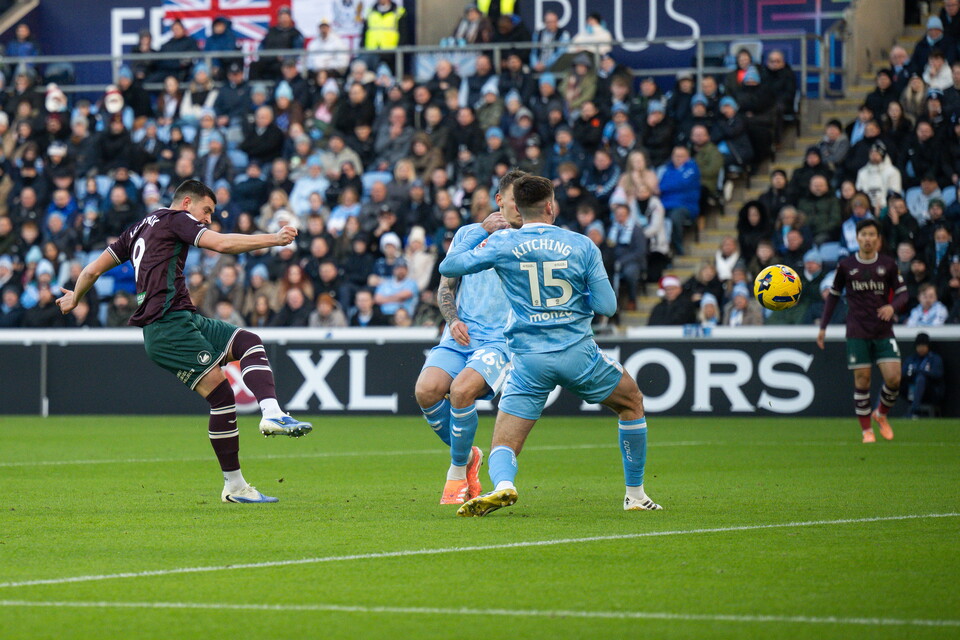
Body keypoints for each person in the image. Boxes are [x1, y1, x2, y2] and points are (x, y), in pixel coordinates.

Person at [54, 180, 313, 504]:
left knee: (247, 341)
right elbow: (221, 244)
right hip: (166, 326)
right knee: (221, 394)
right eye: (206, 211)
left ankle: (270, 415)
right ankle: (235, 483)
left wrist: (75, 297)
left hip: (183, 318)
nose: (206, 219)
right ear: (187, 202)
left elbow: (92, 269)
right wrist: (273, 239)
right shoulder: (176, 219)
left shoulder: (137, 229)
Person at [440, 174, 661, 516]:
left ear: (518, 208)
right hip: (578, 354)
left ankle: (504, 486)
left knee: (504, 443)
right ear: (550, 206)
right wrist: (572, 302)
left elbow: (450, 265)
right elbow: (607, 307)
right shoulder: (581, 245)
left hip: (529, 359)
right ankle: (635, 495)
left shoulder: (503, 244)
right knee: (631, 402)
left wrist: (482, 230)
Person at [414, 170, 526, 505]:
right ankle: (471, 455)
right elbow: (446, 280)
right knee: (426, 391)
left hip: (500, 340)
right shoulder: (469, 233)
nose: (520, 205)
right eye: (514, 198)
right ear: (499, 200)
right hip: (459, 334)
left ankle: (457, 472)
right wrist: (453, 318)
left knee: (462, 391)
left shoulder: (531, 240)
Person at [817, 219, 909, 443]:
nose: (868, 239)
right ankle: (866, 431)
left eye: (872, 235)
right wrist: (823, 327)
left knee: (895, 379)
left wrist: (892, 306)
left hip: (883, 331)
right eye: (864, 235)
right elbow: (833, 297)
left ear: (878, 239)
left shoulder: (888, 264)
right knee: (862, 381)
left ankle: (881, 414)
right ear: (857, 238)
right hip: (857, 330)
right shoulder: (846, 266)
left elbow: (903, 294)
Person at [902, 332, 945, 417]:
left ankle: (914, 412)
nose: (921, 348)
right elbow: (903, 373)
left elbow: (938, 375)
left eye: (923, 346)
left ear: (928, 346)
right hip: (911, 390)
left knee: (921, 378)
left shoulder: (934, 358)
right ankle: (880, 412)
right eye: (919, 346)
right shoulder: (912, 359)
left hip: (931, 392)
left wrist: (921, 372)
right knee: (892, 379)